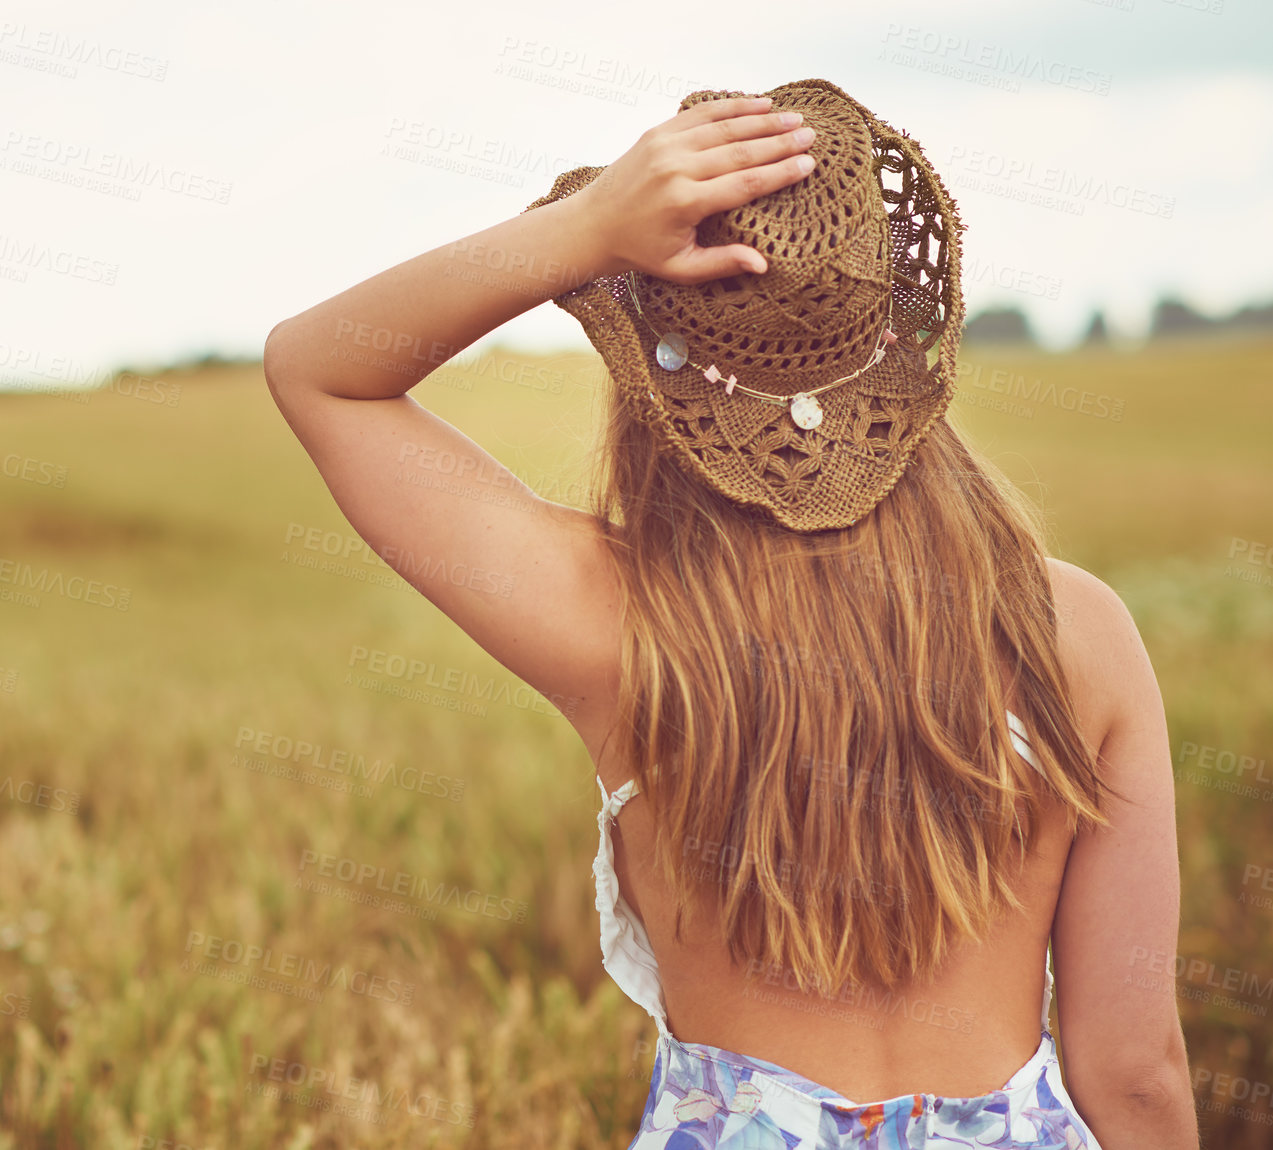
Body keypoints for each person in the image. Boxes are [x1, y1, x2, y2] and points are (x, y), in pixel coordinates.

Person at [263, 77, 1196, 1148]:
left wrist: (584, 229)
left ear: (653, 363)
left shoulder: (617, 621)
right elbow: (1135, 1076)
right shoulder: (1076, 630)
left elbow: (320, 371)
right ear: (901, 337)